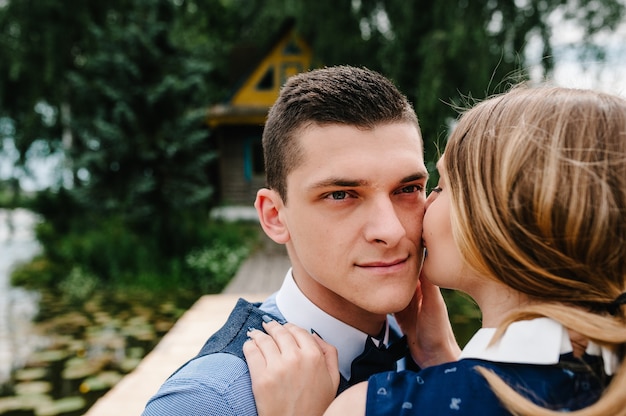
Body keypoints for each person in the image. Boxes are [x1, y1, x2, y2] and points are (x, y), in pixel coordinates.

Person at [244, 85, 626, 415]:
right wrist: (446, 360)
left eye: (434, 187)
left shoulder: (378, 407)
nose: (394, 229)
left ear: (501, 220)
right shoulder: (605, 377)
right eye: (341, 194)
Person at [142, 65, 459, 415]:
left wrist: (444, 369)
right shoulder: (204, 401)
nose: (392, 230)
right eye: (341, 195)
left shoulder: (431, 353)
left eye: (409, 189)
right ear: (275, 216)